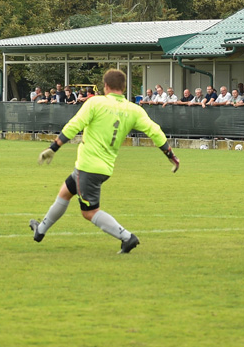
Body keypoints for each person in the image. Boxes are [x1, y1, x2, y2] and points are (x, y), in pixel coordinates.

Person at [30, 68, 179, 254]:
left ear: (105, 86)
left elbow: (75, 124)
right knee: (65, 192)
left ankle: (127, 237)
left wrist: (53, 148)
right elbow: (155, 131)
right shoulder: (134, 109)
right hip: (104, 167)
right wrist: (171, 156)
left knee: (89, 212)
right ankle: (40, 230)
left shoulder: (95, 102)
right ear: (123, 87)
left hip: (88, 166)